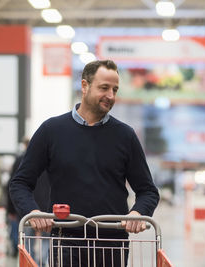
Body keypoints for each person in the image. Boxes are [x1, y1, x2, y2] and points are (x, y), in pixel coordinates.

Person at [9, 59, 159, 266]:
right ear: (84, 85)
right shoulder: (51, 131)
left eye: (115, 89)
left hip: (112, 243)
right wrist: (32, 211)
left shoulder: (125, 136)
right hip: (66, 242)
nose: (111, 96)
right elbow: (20, 183)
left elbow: (148, 191)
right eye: (104, 88)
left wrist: (137, 213)